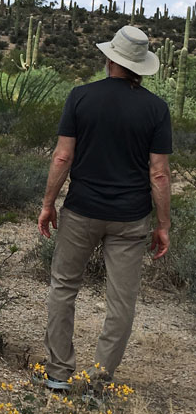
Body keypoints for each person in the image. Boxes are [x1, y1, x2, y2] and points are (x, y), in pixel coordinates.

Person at [37, 25, 172, 390]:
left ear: (110, 57)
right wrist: (163, 225)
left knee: (64, 286)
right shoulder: (157, 109)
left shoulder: (80, 97)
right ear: (141, 65)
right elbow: (158, 174)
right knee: (121, 300)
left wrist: (49, 204)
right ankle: (99, 381)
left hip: (81, 209)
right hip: (130, 217)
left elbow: (63, 155)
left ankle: (59, 373)